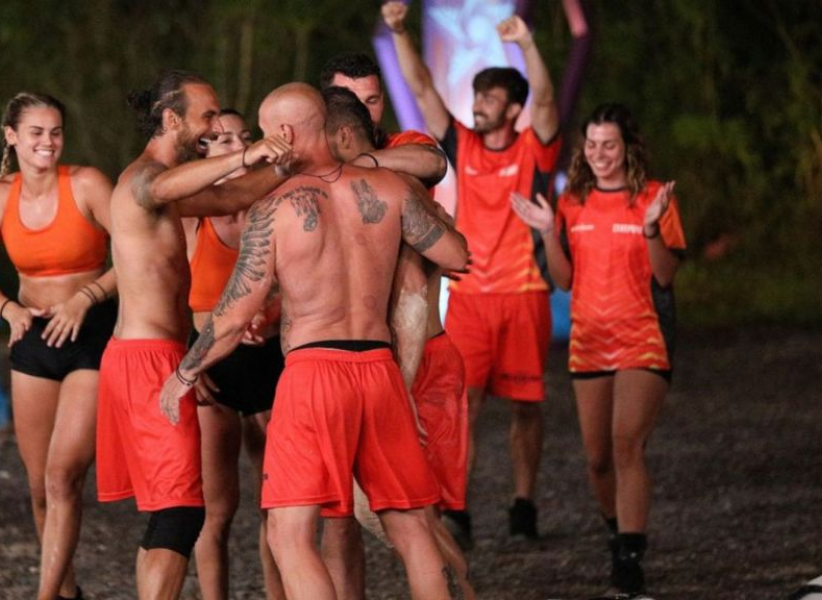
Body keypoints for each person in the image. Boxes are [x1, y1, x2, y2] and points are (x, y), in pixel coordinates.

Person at [159, 82, 469, 600]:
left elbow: (233, 316)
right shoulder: (391, 188)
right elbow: (457, 255)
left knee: (289, 533)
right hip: (380, 369)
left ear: (283, 133)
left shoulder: (273, 207)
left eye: (264, 132)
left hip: (314, 374)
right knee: (413, 528)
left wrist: (185, 372)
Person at [95, 70, 291, 600]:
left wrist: (285, 164)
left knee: (170, 511)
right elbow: (160, 187)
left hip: (153, 353)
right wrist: (245, 154)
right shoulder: (142, 180)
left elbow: (232, 198)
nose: (212, 127)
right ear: (171, 119)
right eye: (206, 117)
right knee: (181, 513)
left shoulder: (171, 190)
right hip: (145, 360)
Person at [383, 1, 562, 544]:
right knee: (465, 404)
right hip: (471, 295)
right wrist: (399, 30)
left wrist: (526, 43)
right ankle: (456, 509)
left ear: (512, 109)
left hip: (525, 293)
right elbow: (421, 89)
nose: (478, 104)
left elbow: (547, 100)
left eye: (489, 98)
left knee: (527, 406)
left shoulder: (534, 148)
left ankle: (524, 503)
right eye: (478, 96)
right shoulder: (462, 144)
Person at [510, 102, 684, 596]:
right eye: (592, 144)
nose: (600, 153)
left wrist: (651, 227)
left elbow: (665, 275)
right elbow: (564, 280)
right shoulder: (573, 202)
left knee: (627, 443)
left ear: (627, 148)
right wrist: (548, 231)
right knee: (598, 459)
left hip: (643, 336)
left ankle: (630, 556)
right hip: (589, 340)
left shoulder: (654, 197)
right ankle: (615, 532)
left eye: (609, 144)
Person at [324, 86, 475, 600]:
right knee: (390, 516)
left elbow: (413, 291)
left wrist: (400, 391)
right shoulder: (347, 186)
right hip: (381, 370)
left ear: (344, 135)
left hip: (414, 367)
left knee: (406, 517)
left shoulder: (392, 180)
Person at [0, 92, 116, 600]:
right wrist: (10, 310)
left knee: (62, 477)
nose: (48, 142)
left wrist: (86, 298)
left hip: (91, 333)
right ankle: (68, 591)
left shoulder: (88, 184)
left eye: (56, 132)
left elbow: (138, 255)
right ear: (11, 136)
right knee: (38, 489)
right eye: (36, 132)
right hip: (32, 336)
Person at [185, 109, 286, 600]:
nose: (238, 146)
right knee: (216, 509)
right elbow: (163, 292)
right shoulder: (190, 214)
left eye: (244, 137)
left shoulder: (274, 204)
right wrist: (185, 362)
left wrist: (266, 308)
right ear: (201, 150)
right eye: (223, 139)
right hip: (214, 365)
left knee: (278, 504)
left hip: (271, 359)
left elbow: (301, 281)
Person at [319, 51, 447, 188]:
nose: (364, 112)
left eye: (372, 101)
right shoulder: (314, 158)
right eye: (352, 103)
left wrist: (363, 163)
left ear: (382, 100)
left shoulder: (404, 144)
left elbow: (436, 163)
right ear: (326, 105)